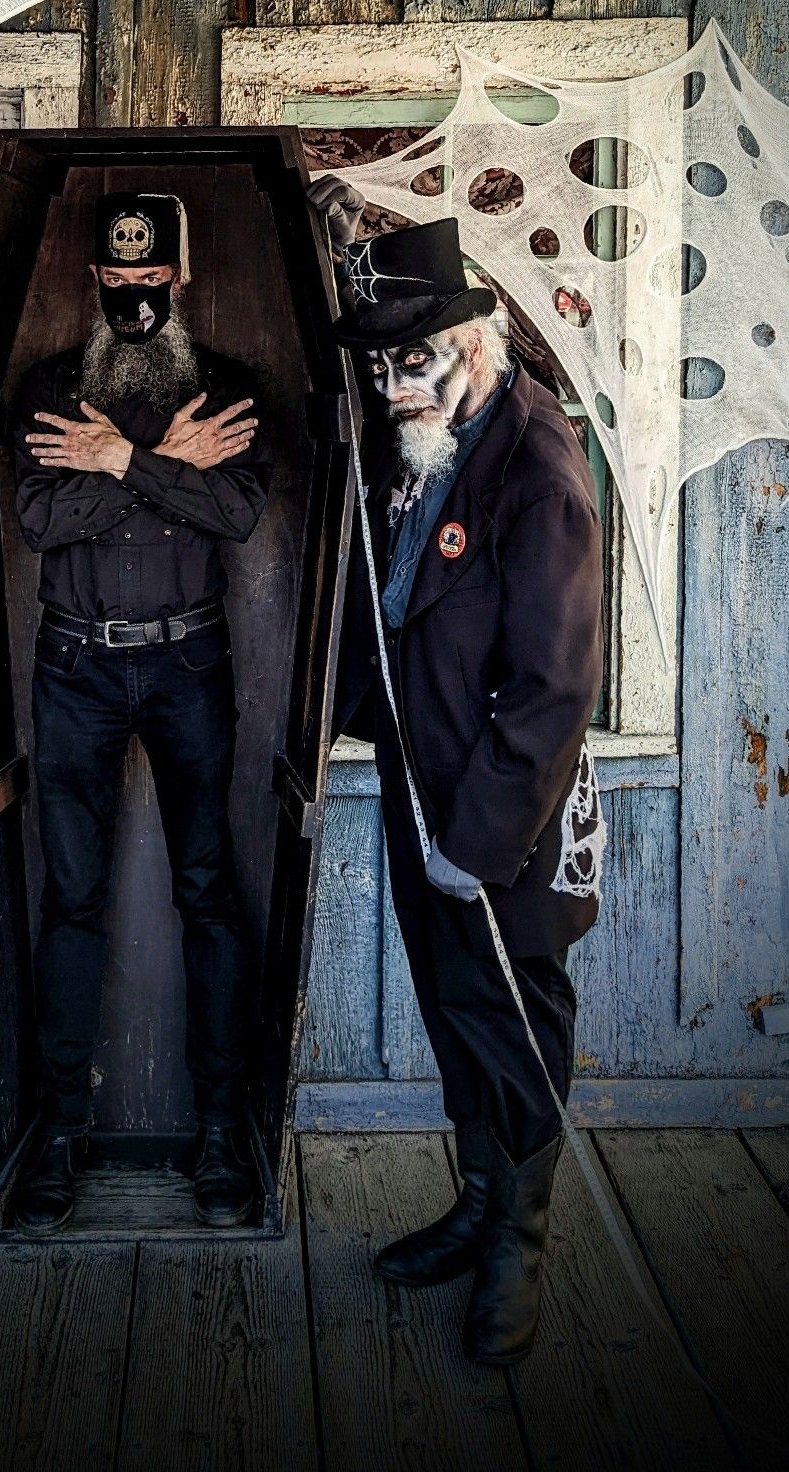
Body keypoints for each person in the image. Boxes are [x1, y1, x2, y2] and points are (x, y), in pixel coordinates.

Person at [309, 177, 605, 1368]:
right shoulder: (427, 436)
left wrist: (471, 837)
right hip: (421, 781)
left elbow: (553, 684)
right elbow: (395, 610)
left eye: (413, 359)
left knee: (513, 1017)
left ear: (476, 338)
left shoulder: (534, 463)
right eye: (380, 367)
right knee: (453, 1011)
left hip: (503, 812)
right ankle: (478, 1200)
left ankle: (518, 1244)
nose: (394, 386)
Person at [9, 191, 272, 1234]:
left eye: (148, 279)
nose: (132, 295)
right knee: (70, 899)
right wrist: (166, 469)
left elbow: (240, 510)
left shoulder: (230, 392)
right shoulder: (46, 389)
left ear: (179, 278)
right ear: (94, 284)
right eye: (115, 281)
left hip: (189, 661)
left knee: (208, 891)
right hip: (72, 664)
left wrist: (115, 460)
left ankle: (218, 1131)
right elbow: (37, 519)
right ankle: (60, 1134)